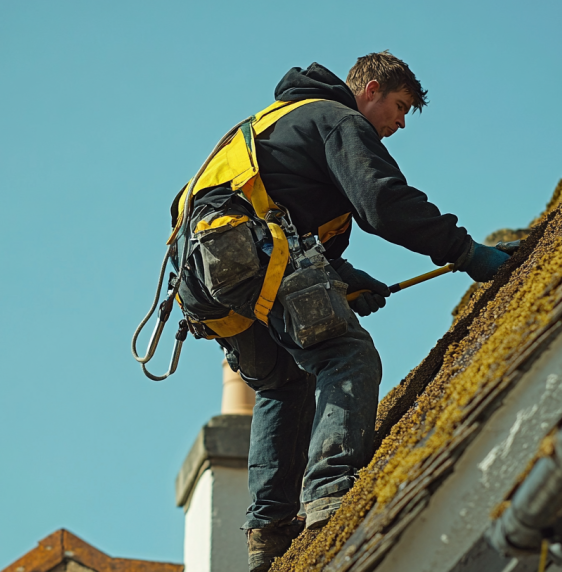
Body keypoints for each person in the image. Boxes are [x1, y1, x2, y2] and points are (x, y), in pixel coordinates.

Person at [171, 52, 512, 572]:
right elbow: (383, 203)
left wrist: (348, 281)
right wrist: (465, 252)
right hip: (246, 251)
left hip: (206, 275)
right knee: (346, 354)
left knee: (283, 381)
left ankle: (268, 530)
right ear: (370, 89)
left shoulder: (280, 122)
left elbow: (293, 227)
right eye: (398, 107)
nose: (399, 123)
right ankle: (329, 488)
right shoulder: (338, 120)